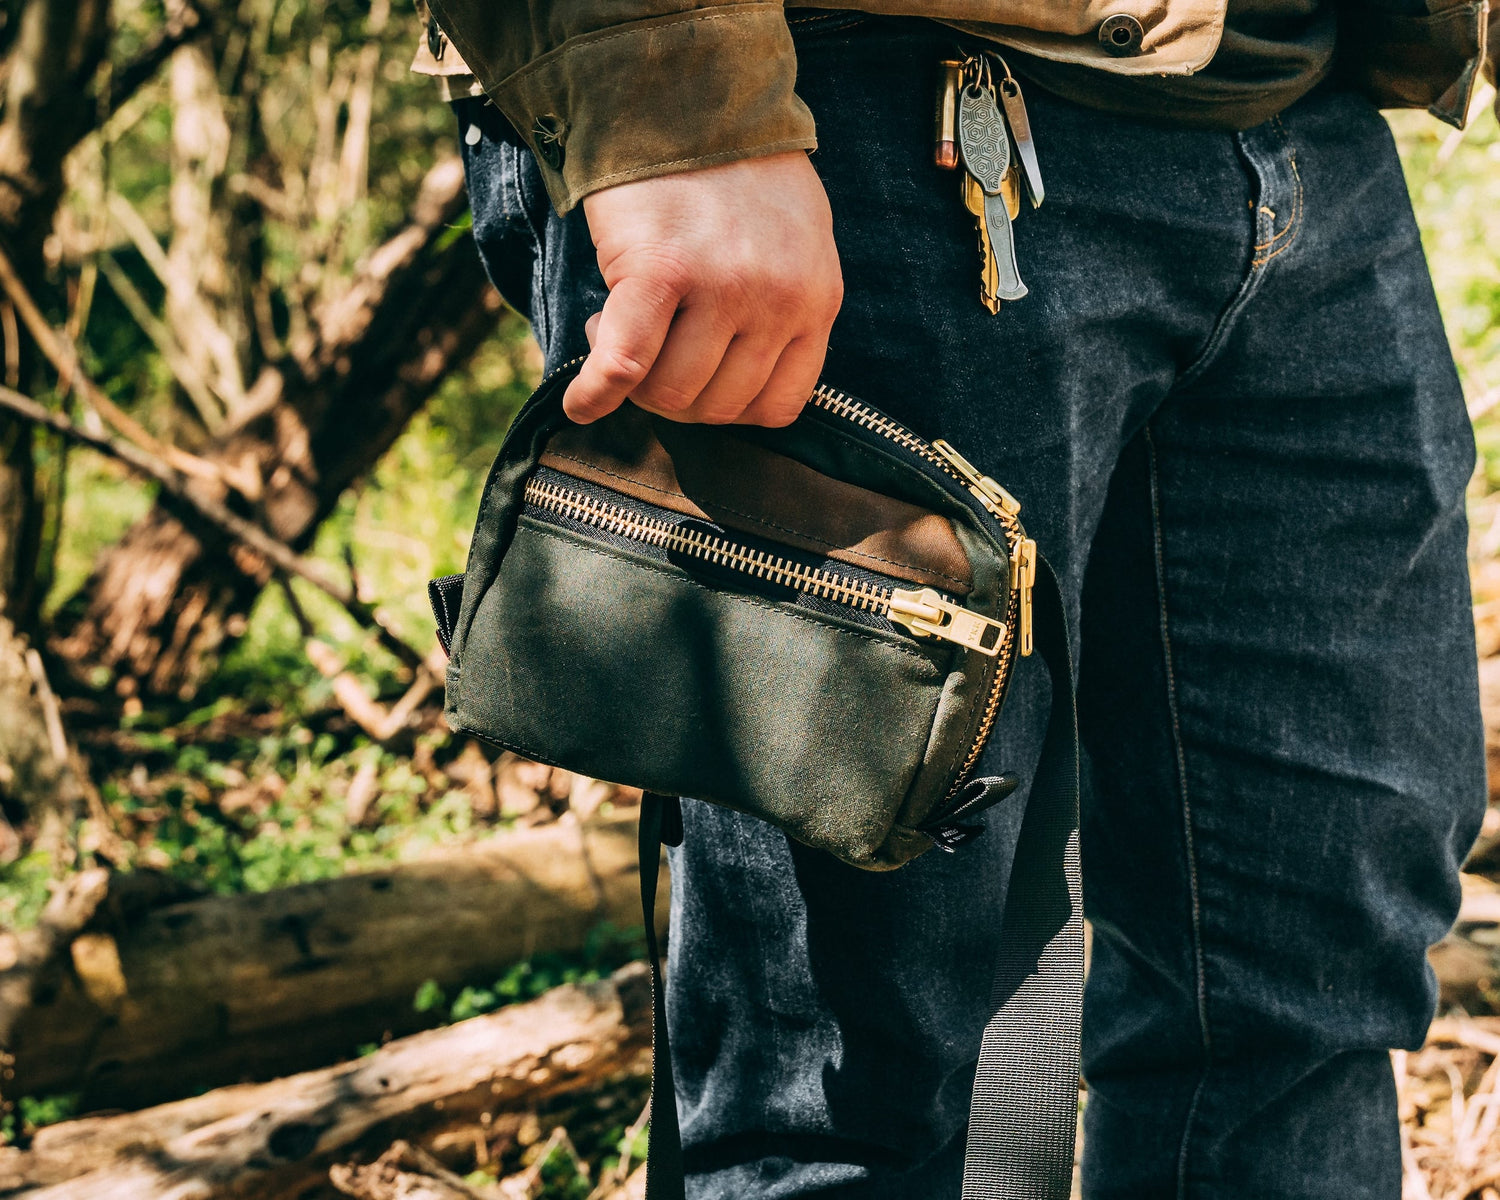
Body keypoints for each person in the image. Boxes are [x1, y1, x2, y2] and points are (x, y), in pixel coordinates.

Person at [414, 4, 1498, 1196]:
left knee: (1306, 993)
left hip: (1302, 109)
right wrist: (672, 100)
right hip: (845, 114)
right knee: (844, 1080)